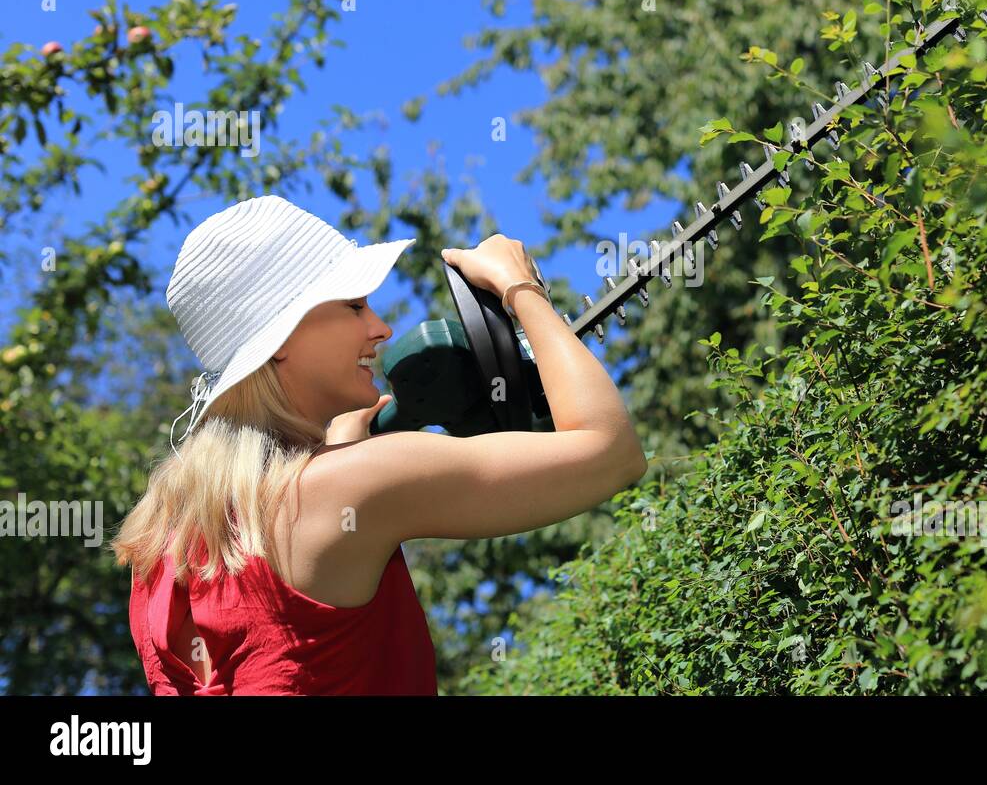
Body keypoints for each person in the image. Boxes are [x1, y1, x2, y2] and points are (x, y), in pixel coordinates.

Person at [111, 195, 647, 695]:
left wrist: (342, 446)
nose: (382, 327)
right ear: (280, 343)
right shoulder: (349, 483)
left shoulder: (165, 552)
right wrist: (520, 288)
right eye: (353, 306)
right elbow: (610, 452)